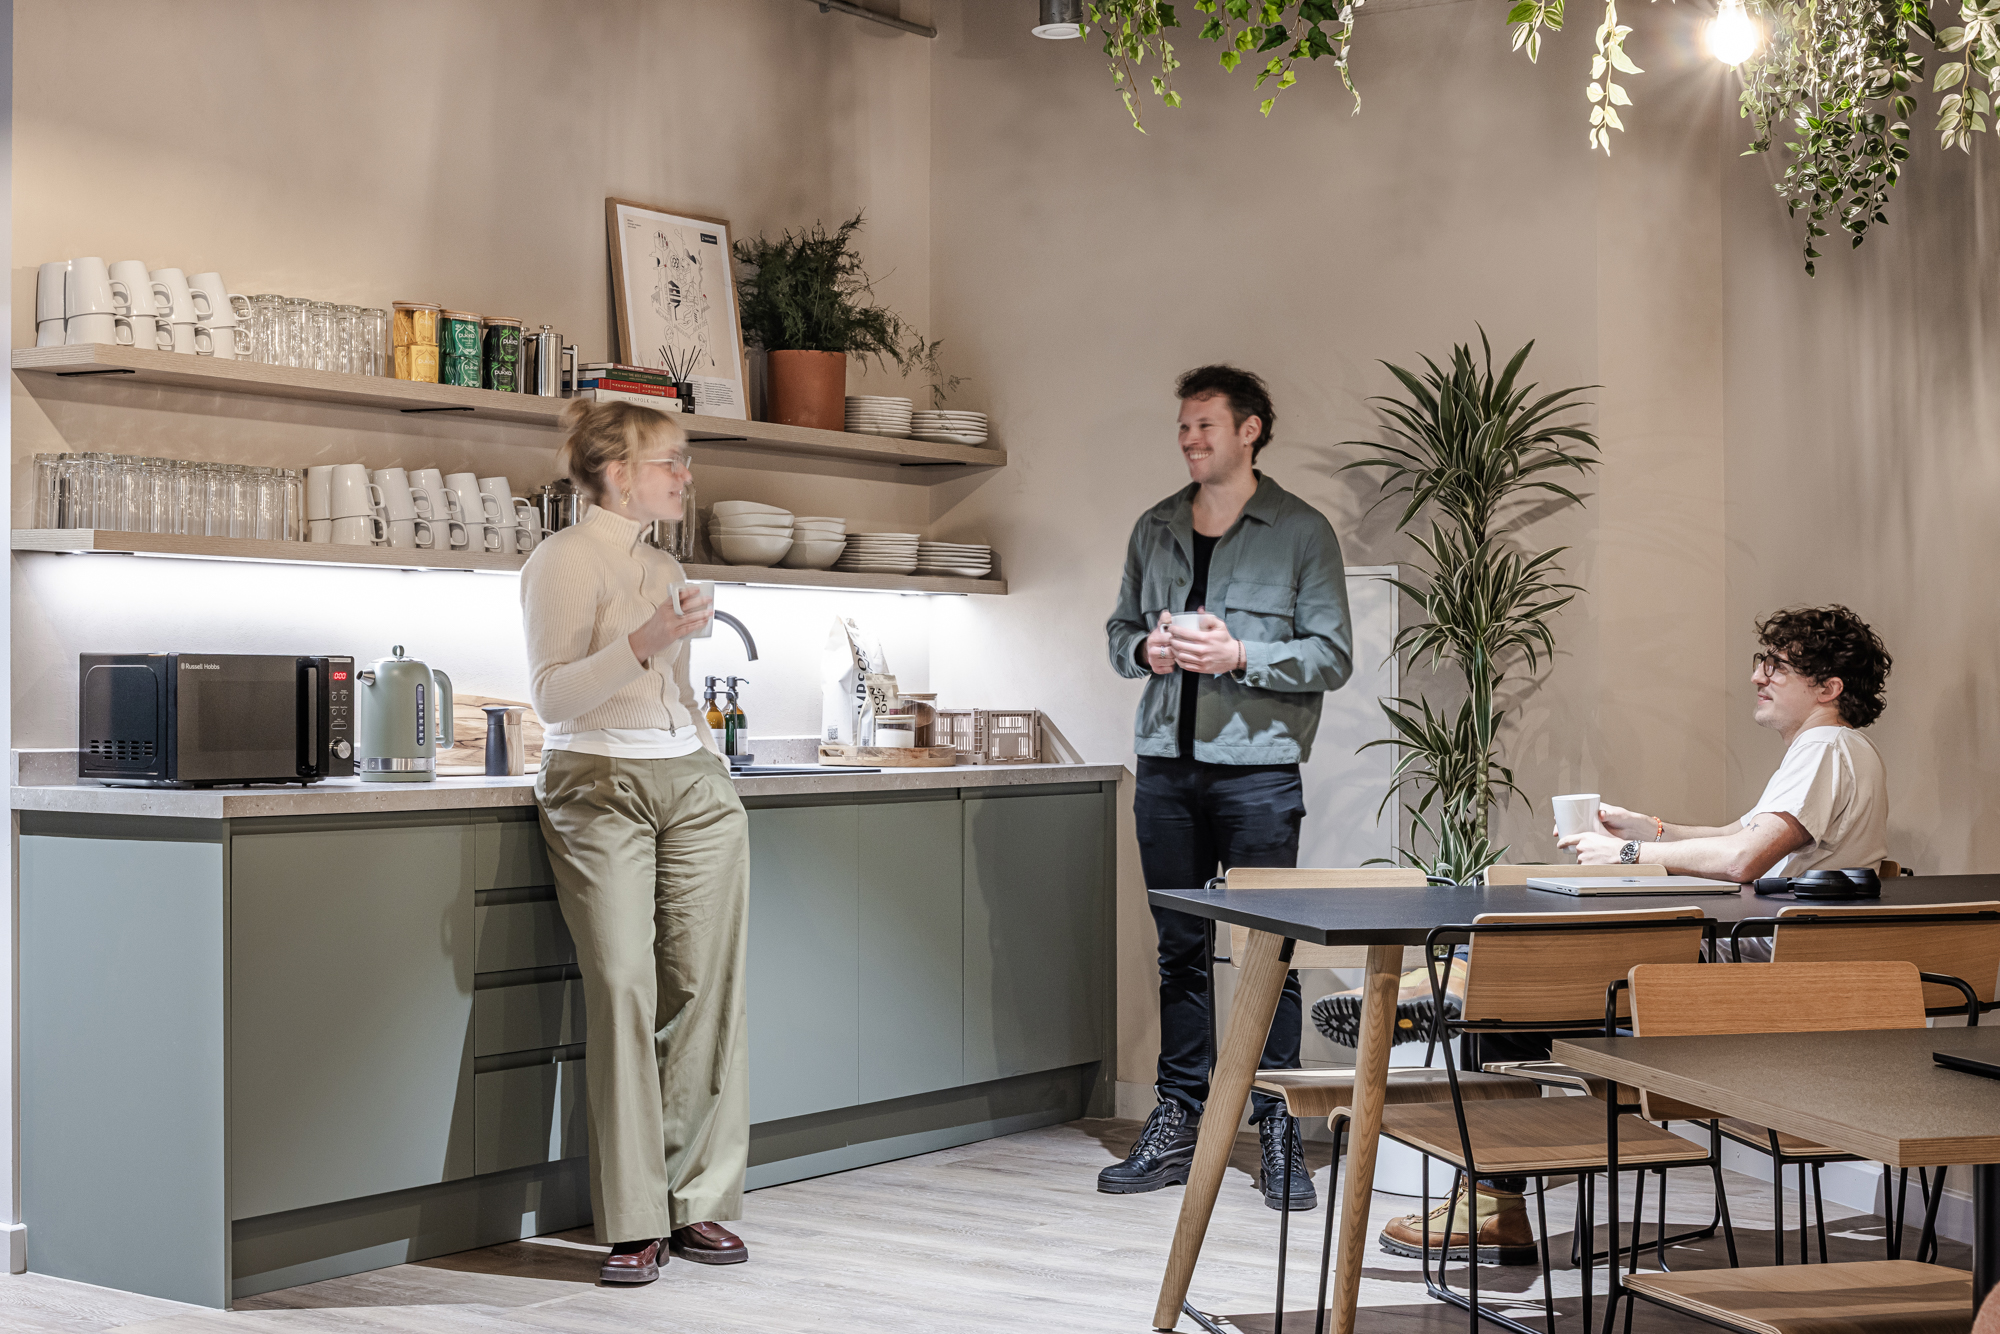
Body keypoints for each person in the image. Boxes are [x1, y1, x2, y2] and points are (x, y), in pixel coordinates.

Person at [1373, 603, 1894, 1266]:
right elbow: (1739, 836)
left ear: (1828, 688)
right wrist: (1647, 828)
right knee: (1509, 992)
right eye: (1761, 661)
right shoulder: (1838, 751)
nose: (1758, 676)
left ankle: (1486, 1186)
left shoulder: (1824, 748)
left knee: (1507, 1001)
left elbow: (1743, 859)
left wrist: (1625, 856)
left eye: (1778, 666)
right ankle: (1444, 1000)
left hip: (1745, 985)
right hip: (1764, 973)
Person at [1101, 365, 1354, 1211]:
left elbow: (1332, 655)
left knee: (1267, 953)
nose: (1189, 439)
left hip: (1258, 774)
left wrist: (1241, 654)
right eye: (1183, 426)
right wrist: (1145, 651)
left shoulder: (1302, 531)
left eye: (1204, 425)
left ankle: (1279, 1126)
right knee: (1178, 950)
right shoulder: (1155, 527)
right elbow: (1119, 631)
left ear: (1250, 431)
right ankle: (1179, 1118)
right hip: (1164, 771)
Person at [522, 400, 752, 1284]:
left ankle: (696, 1202)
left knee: (703, 992)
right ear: (619, 473)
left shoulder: (664, 563)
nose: (686, 476)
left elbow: (674, 693)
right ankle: (634, 1218)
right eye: (671, 462)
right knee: (624, 985)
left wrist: (710, 764)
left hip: (689, 783)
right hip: (598, 783)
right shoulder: (561, 560)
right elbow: (553, 696)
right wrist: (646, 637)